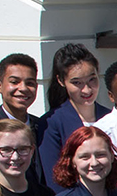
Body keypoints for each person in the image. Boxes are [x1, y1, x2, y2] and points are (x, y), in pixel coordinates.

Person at [37, 45, 106, 180]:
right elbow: (52, 176)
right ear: (61, 81)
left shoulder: (110, 116)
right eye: (77, 83)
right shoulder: (52, 123)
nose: (86, 90)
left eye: (92, 79)